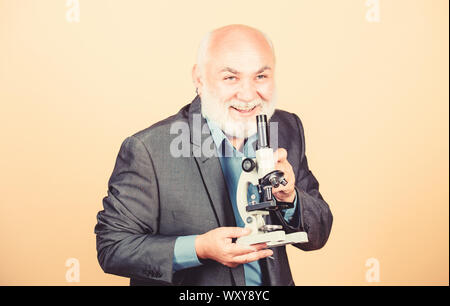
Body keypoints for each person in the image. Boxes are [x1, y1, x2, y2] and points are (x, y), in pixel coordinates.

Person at [95, 24, 333, 286]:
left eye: (261, 77)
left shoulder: (287, 128)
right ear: (199, 79)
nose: (248, 94)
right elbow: (113, 247)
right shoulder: (149, 149)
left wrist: (291, 198)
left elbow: (318, 232)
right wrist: (198, 248)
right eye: (231, 78)